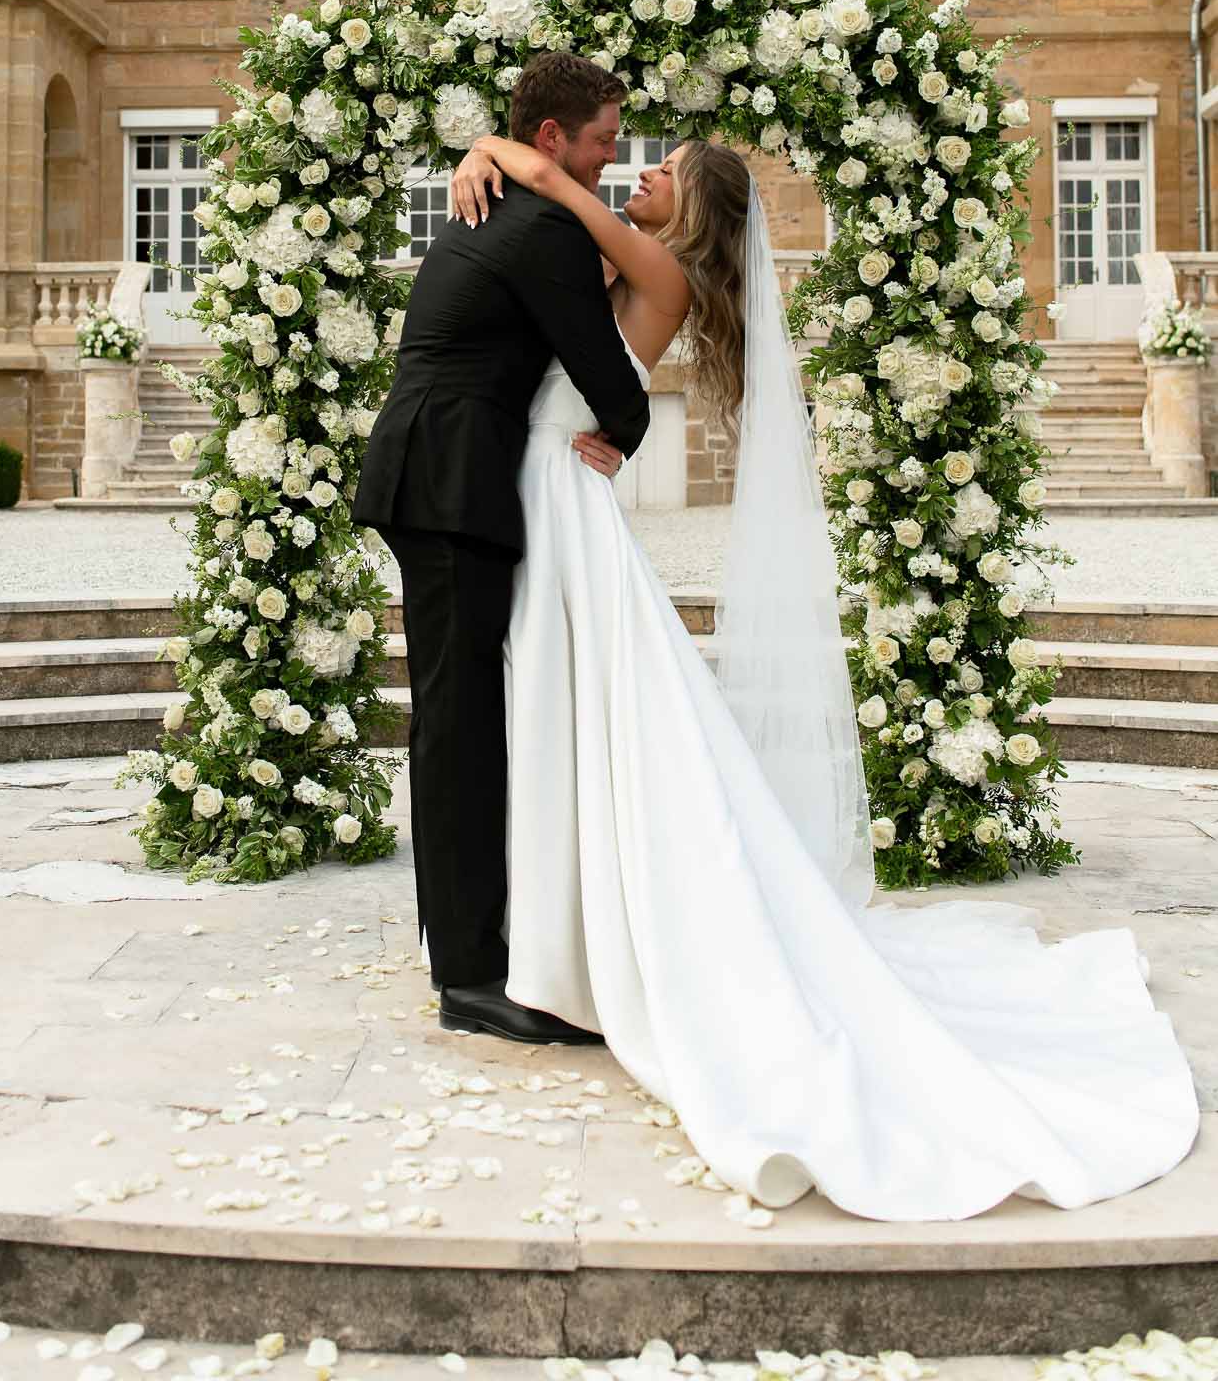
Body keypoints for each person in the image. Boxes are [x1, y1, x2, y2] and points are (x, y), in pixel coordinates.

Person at [446, 127, 1199, 1222]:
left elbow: (563, 191)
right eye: (639, 159)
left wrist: (503, 152)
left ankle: (586, 940)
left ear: (694, 211)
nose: (640, 170)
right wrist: (481, 151)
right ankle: (557, 922)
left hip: (563, 499)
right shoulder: (608, 253)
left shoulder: (650, 263)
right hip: (543, 492)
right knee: (571, 719)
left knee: (589, 715)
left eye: (663, 170)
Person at [353, 53, 650, 1046]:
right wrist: (624, 430)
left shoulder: (507, 208)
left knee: (458, 718)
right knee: (456, 725)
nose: (613, 157)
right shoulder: (544, 227)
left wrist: (484, 148)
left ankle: (472, 941)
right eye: (604, 138)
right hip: (446, 476)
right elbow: (607, 373)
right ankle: (469, 974)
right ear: (552, 140)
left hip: (444, 472)